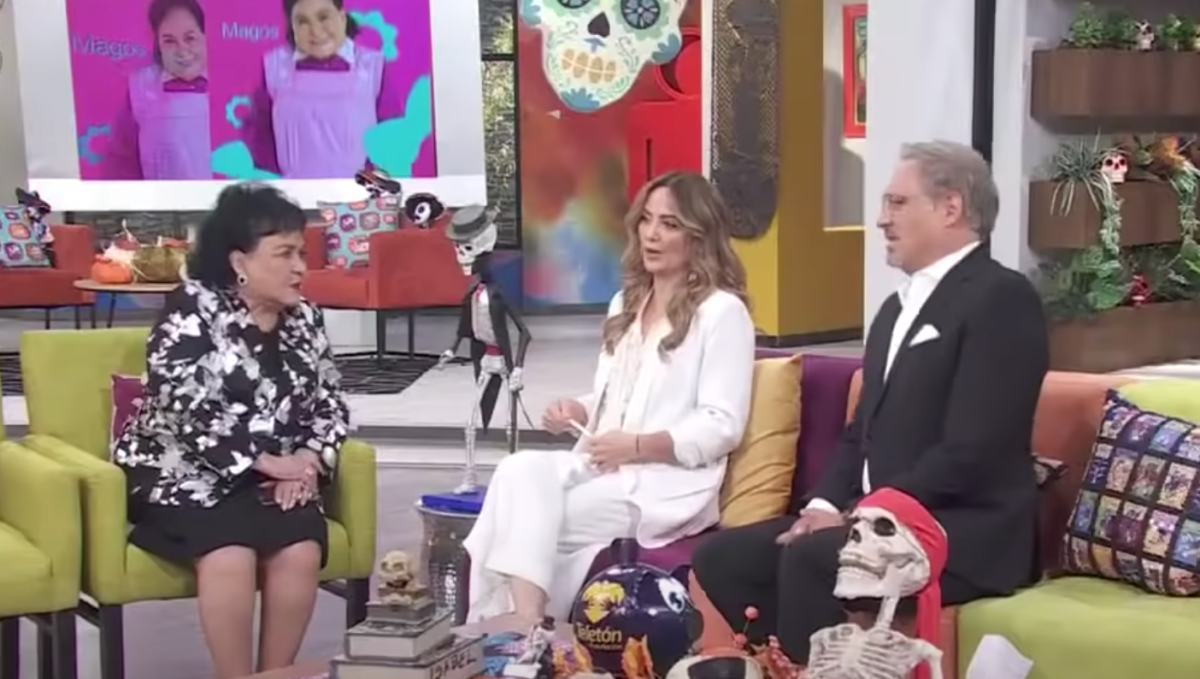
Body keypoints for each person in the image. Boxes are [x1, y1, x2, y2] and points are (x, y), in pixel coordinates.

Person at [691, 141, 1049, 663]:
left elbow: (974, 451)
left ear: (951, 208)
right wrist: (821, 506)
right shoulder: (893, 310)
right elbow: (861, 431)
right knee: (726, 556)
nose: (881, 219)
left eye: (897, 203)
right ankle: (800, 667)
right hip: (873, 520)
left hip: (965, 527)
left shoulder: (1002, 298)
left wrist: (862, 513)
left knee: (816, 557)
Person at [463, 171, 757, 628]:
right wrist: (579, 409)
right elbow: (615, 393)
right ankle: (528, 624)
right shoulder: (625, 303)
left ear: (700, 237)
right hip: (603, 466)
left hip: (666, 484)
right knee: (517, 470)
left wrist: (637, 447)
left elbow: (722, 425)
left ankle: (519, 626)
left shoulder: (722, 312)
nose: (652, 234)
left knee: (520, 517)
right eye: (646, 220)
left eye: (670, 224)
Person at [112, 184, 349, 679]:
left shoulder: (306, 317)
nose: (300, 268)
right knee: (230, 552)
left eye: (301, 254)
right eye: (284, 254)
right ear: (240, 260)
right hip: (182, 473)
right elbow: (179, 402)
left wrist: (306, 463)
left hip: (275, 477)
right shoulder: (193, 306)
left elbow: (331, 404)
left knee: (301, 548)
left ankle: (274, 676)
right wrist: (266, 463)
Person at [244, 0, 384, 178]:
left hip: (357, 192)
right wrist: (280, 185)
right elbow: (260, 135)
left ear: (342, 17)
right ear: (292, 26)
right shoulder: (274, 68)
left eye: (323, 17)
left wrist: (366, 186)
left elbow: (389, 139)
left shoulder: (373, 67)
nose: (316, 31)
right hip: (292, 192)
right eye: (303, 21)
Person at [107, 0, 212, 179]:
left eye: (190, 38)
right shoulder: (140, 87)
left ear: (204, 36)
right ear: (158, 44)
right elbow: (121, 162)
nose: (182, 50)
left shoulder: (228, 83)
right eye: (169, 41)